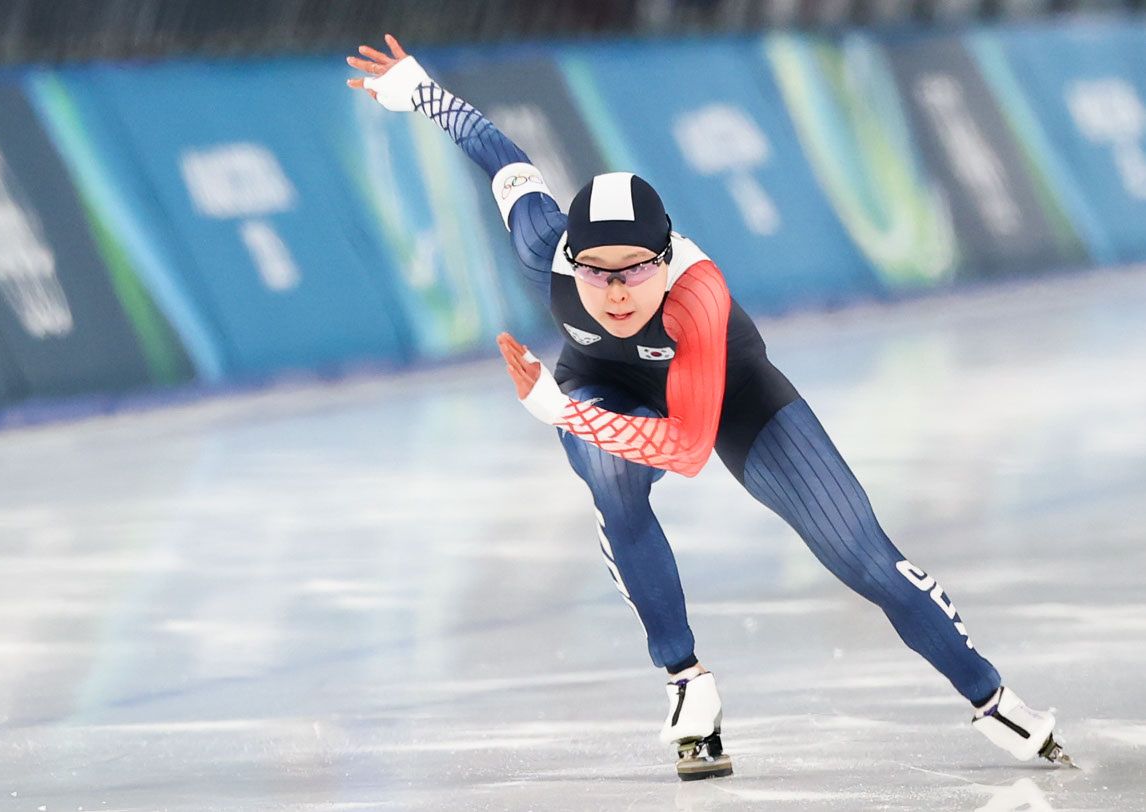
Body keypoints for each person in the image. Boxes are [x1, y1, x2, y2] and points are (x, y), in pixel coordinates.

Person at [346, 34, 1073, 780]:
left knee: (861, 554)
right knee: (611, 481)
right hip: (606, 383)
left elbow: (687, 448)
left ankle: (992, 698)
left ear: (665, 260)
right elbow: (500, 156)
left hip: (729, 394)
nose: (616, 292)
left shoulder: (697, 296)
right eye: (596, 274)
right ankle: (686, 681)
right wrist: (420, 91)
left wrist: (558, 411)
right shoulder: (540, 245)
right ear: (570, 260)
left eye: (635, 271)